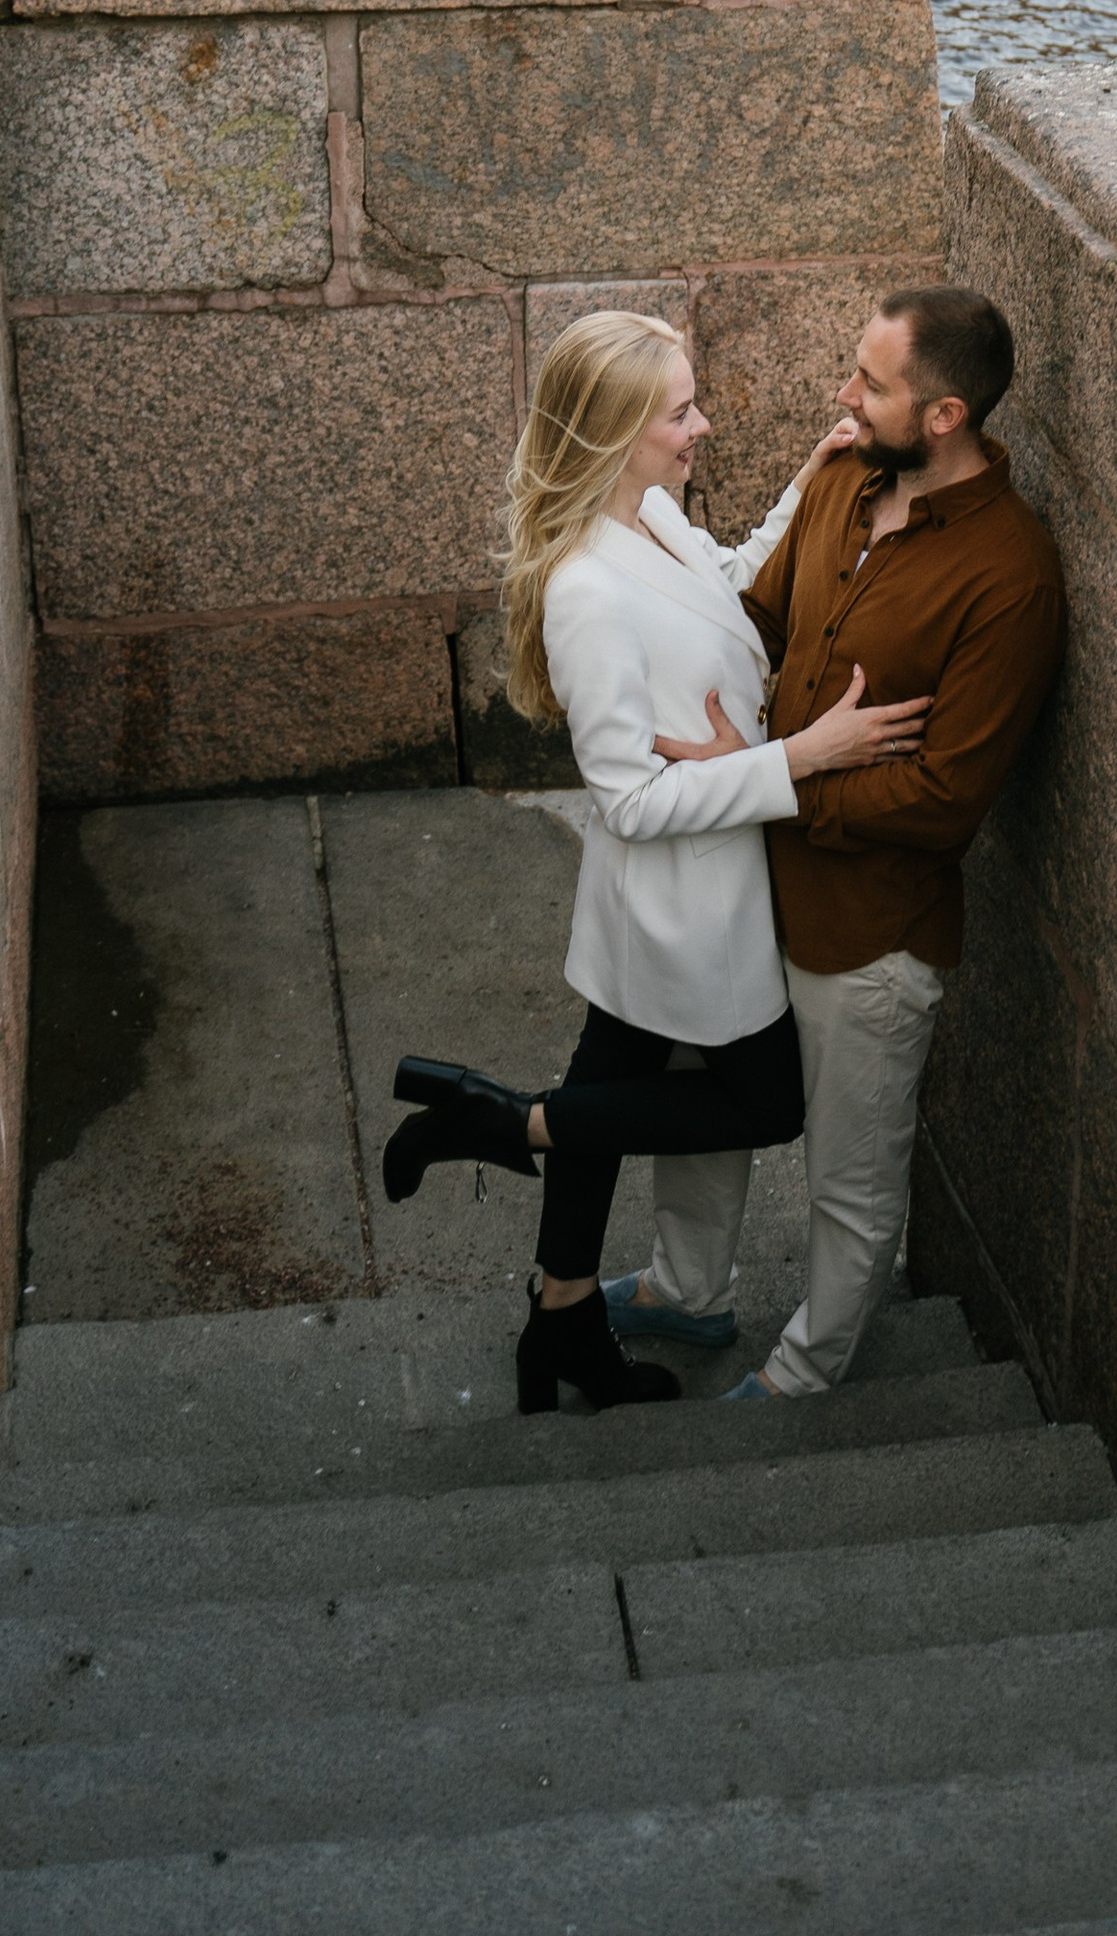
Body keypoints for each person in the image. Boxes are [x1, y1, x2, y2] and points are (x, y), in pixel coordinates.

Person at [377, 315, 929, 1414]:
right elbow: (627, 803)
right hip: (686, 902)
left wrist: (804, 487)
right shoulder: (585, 592)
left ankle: (561, 1322)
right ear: (617, 433)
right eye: (679, 412)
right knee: (762, 1105)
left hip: (671, 902)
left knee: (604, 1096)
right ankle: (501, 1124)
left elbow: (721, 585)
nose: (700, 426)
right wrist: (799, 757)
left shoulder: (651, 514)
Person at [682, 288, 1061, 1404]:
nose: (843, 397)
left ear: (944, 414)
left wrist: (774, 788)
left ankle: (806, 1376)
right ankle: (683, 1291)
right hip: (745, 891)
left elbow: (947, 799)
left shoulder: (1013, 576)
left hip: (869, 943)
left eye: (871, 383)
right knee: (703, 1117)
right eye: (853, 369)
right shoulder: (845, 479)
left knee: (848, 1182)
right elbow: (758, 617)